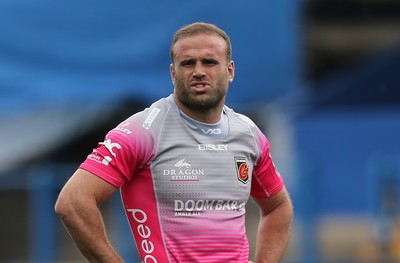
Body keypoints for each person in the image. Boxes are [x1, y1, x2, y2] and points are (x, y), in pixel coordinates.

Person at [55, 22, 293, 263]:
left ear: (230, 71)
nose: (199, 71)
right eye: (188, 63)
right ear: (173, 73)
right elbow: (73, 202)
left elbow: (278, 206)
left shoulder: (248, 134)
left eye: (209, 62)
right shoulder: (143, 130)